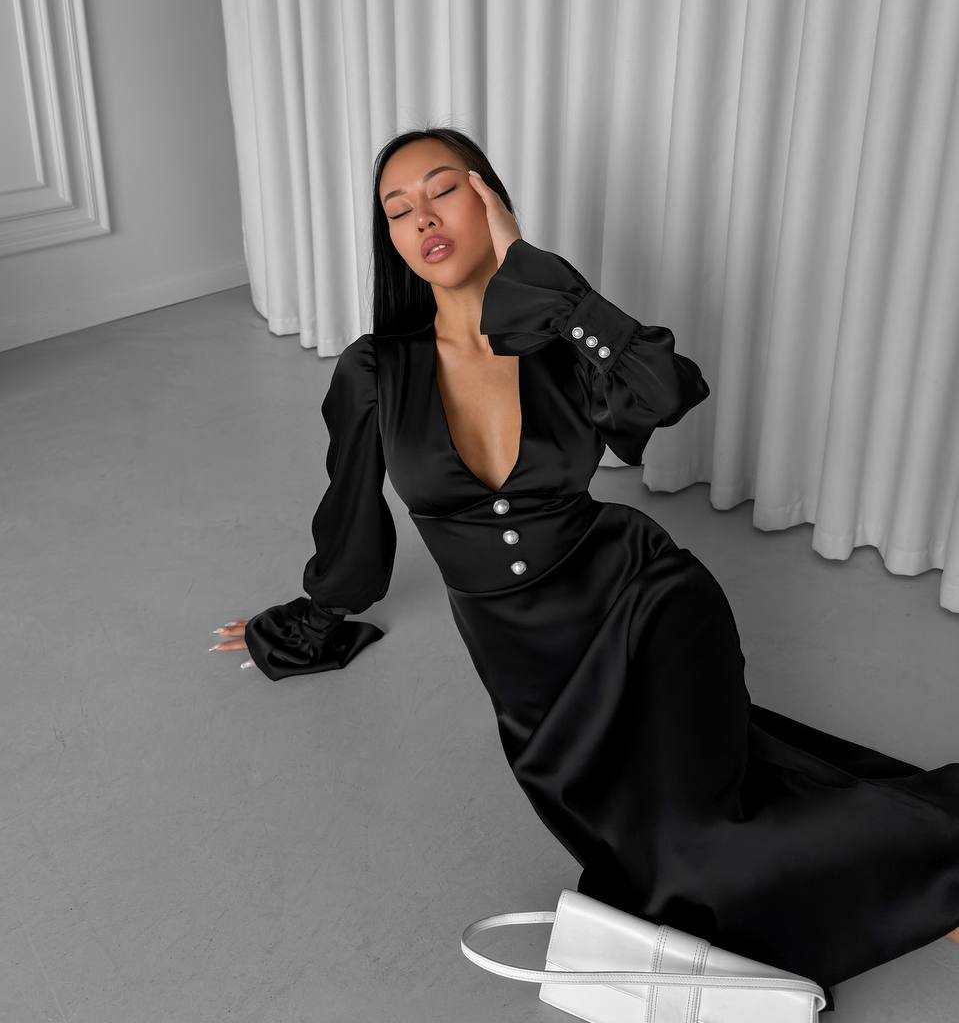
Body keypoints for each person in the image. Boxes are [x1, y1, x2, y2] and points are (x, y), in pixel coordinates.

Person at [211, 126, 959, 1011]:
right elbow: (350, 515)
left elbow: (665, 392)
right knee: (667, 841)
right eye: (397, 210)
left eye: (442, 191)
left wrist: (543, 276)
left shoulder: (562, 343)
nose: (421, 219)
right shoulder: (375, 370)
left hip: (643, 601)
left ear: (489, 200)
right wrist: (315, 615)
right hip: (531, 673)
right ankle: (922, 852)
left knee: (696, 846)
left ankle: (933, 870)